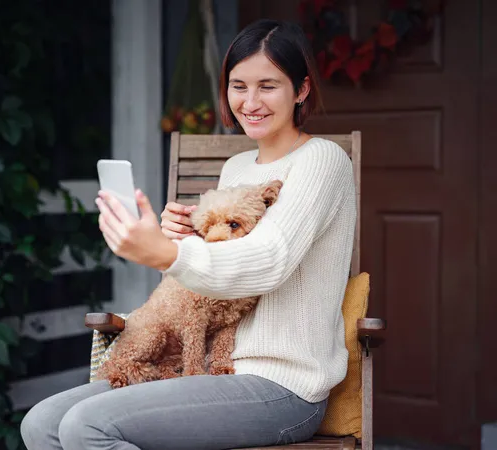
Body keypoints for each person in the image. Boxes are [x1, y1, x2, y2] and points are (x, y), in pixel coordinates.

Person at [21, 18, 356, 450]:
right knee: (41, 423)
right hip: (204, 368)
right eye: (239, 86)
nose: (250, 102)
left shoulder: (323, 161)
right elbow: (214, 278)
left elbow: (270, 259)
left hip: (283, 387)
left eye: (268, 86)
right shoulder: (236, 169)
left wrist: (167, 255)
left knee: (85, 426)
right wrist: (181, 239)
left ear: (302, 90)